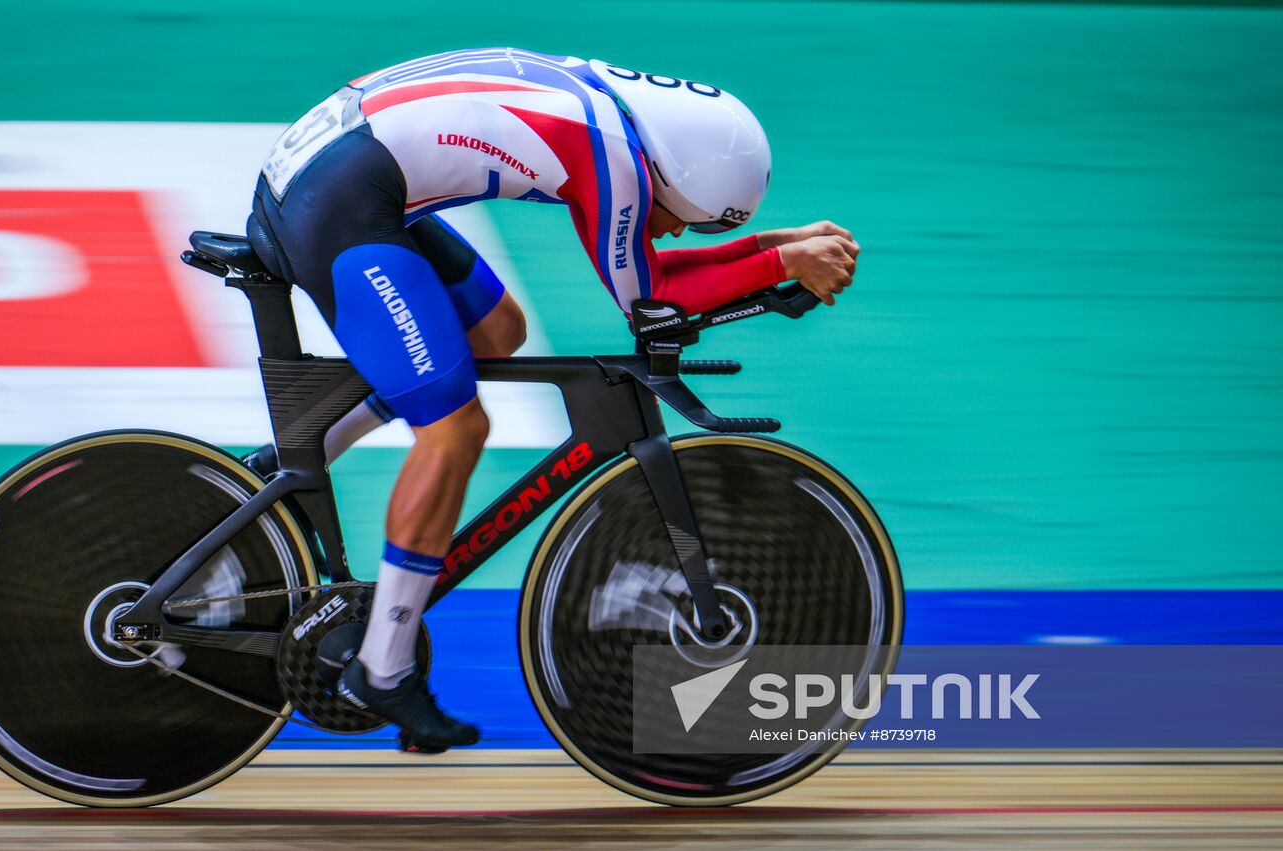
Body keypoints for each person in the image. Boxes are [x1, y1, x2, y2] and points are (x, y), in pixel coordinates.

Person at [244, 47, 860, 751]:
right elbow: (653, 298)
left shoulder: (619, 126)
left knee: (496, 330)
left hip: (342, 178)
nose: (680, 229)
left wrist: (779, 246)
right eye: (687, 217)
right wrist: (780, 262)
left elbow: (653, 265)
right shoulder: (614, 162)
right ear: (672, 176)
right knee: (454, 430)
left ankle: (300, 456)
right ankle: (382, 667)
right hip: (338, 202)